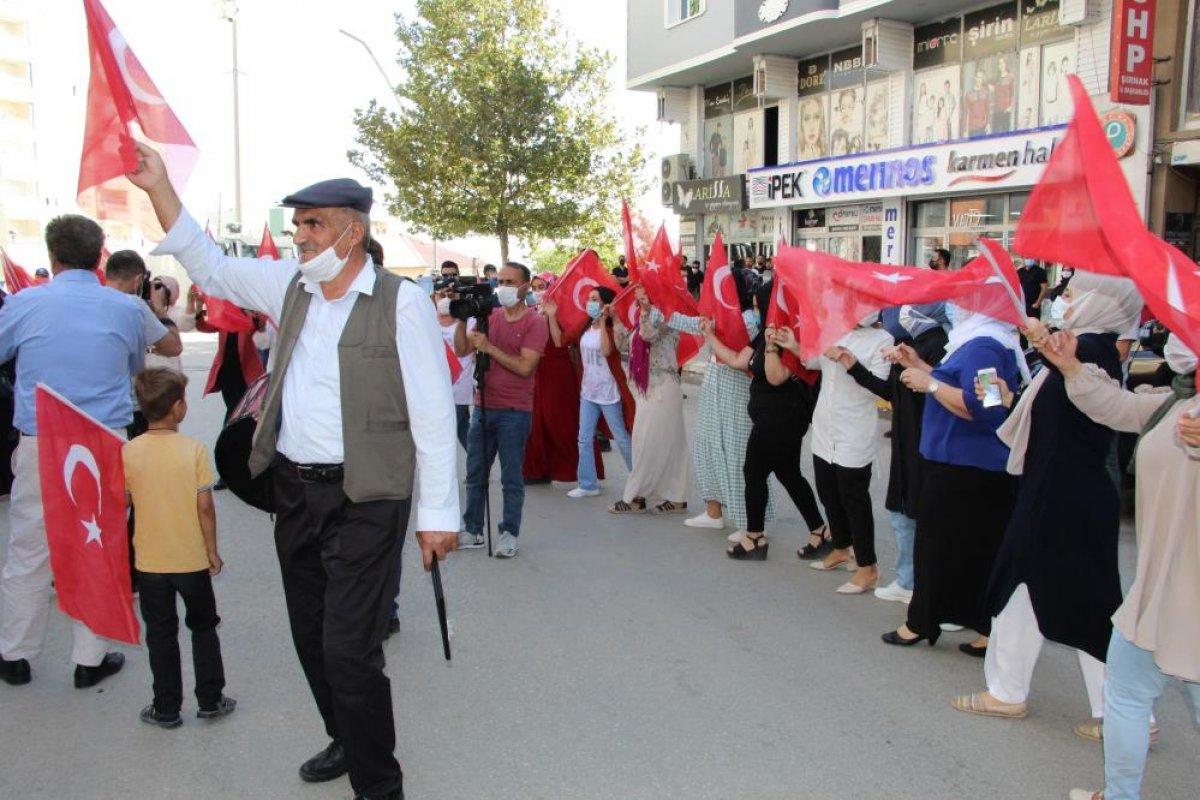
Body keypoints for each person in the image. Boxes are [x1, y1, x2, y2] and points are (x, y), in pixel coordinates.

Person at [131, 143, 458, 800]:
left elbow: (432, 415)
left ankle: (378, 785)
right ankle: (344, 732)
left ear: (353, 230)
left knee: (349, 647)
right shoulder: (290, 286)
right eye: (297, 224)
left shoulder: (402, 304)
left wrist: (438, 516)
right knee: (310, 634)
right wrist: (158, 187)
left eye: (313, 223)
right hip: (295, 493)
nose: (299, 235)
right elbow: (209, 263)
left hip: (370, 497)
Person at [952, 275, 1144, 726]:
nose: (1063, 302)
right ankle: (1008, 689)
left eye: (1074, 294)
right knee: (1021, 591)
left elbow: (1091, 399)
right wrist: (1011, 396)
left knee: (1083, 603)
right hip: (1056, 491)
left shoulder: (1091, 348)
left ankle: (1125, 714)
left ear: (1101, 302)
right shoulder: (1086, 346)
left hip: (1065, 497)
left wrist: (1055, 353)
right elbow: (1061, 412)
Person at [0, 214, 180, 689]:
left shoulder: (24, 304)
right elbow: (151, 354)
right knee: (98, 545)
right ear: (100, 255)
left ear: (52, 255)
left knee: (28, 548)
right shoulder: (124, 308)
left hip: (44, 440)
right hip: (102, 441)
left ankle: (15, 654)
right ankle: (89, 658)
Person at [1054, 333, 1200, 800]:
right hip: (1157, 590)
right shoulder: (1176, 401)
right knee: (1126, 693)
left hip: (1191, 597)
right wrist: (1072, 368)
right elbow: (1117, 407)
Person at [882, 303, 1023, 651]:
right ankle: (981, 627)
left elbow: (987, 407)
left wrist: (929, 384)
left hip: (964, 467)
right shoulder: (978, 341)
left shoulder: (984, 346)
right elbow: (962, 385)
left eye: (964, 301)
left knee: (936, 548)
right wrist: (918, 365)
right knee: (973, 551)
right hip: (967, 466)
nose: (955, 309)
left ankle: (920, 622)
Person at [125, 368, 236, 728]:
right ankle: (210, 698)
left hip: (150, 561)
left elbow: (123, 501)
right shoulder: (194, 450)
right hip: (190, 560)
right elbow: (204, 506)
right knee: (203, 626)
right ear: (178, 408)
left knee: (160, 633)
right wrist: (212, 550)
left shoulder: (129, 451)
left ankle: (166, 706)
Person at [703, 284, 825, 559]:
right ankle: (820, 531)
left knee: (753, 472)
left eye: (761, 306)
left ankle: (754, 538)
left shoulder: (790, 334)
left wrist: (772, 345)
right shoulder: (764, 334)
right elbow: (737, 360)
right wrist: (710, 336)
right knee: (790, 475)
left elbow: (776, 376)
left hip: (782, 418)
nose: (757, 312)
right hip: (772, 418)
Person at [840, 303, 949, 602]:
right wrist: (855, 367)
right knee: (903, 512)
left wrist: (921, 371)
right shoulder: (916, 343)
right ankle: (908, 579)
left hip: (925, 440)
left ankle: (925, 588)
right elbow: (891, 391)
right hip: (907, 436)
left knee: (920, 515)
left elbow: (955, 392)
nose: (903, 311)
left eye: (914, 305)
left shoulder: (940, 342)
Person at [455, 261, 548, 559]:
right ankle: (472, 529)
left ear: (524, 286)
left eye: (510, 282)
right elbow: (461, 350)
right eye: (501, 281)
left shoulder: (535, 322)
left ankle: (509, 533)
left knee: (511, 477)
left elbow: (525, 366)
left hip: (514, 410)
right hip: (482, 406)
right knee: (475, 473)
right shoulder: (489, 317)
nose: (503, 287)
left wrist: (489, 348)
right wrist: (461, 320)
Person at [677, 269, 772, 532]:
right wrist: (661, 307)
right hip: (713, 391)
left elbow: (741, 361)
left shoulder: (750, 321)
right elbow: (691, 323)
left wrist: (711, 335)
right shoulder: (717, 317)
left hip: (737, 394)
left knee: (737, 456)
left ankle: (748, 523)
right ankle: (713, 511)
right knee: (706, 448)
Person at [806, 315, 892, 593]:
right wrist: (797, 343)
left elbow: (882, 388)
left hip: (853, 428)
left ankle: (868, 566)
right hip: (824, 425)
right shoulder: (833, 328)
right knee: (827, 490)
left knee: (853, 497)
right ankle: (842, 547)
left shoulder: (883, 340)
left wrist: (849, 362)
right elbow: (812, 363)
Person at [610, 285, 688, 514]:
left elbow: (649, 334)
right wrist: (615, 320)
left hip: (663, 386)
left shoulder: (665, 317)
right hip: (647, 389)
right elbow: (624, 344)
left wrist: (646, 309)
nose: (638, 296)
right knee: (660, 443)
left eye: (644, 292)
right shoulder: (641, 319)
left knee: (648, 442)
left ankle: (636, 496)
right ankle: (675, 497)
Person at [525, 280, 604, 484]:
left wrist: (550, 316)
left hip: (558, 369)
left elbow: (560, 341)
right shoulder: (531, 310)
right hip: (537, 369)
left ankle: (579, 468)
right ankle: (538, 470)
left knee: (560, 418)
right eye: (534, 287)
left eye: (542, 286)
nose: (538, 291)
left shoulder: (562, 311)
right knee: (537, 420)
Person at [568, 286, 633, 498]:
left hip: (608, 391)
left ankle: (639, 480)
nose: (590, 303)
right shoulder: (585, 328)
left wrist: (605, 322)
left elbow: (606, 350)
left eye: (595, 299)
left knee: (621, 438)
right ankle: (588, 484)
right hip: (588, 391)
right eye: (589, 299)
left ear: (606, 304)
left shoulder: (610, 329)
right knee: (584, 438)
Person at [434, 282, 474, 449]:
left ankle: (477, 469)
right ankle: (479, 468)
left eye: (450, 295)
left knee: (444, 435)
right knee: (463, 430)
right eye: (441, 295)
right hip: (436, 389)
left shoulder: (469, 322)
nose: (445, 299)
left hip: (459, 390)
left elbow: (465, 351)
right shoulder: (427, 320)